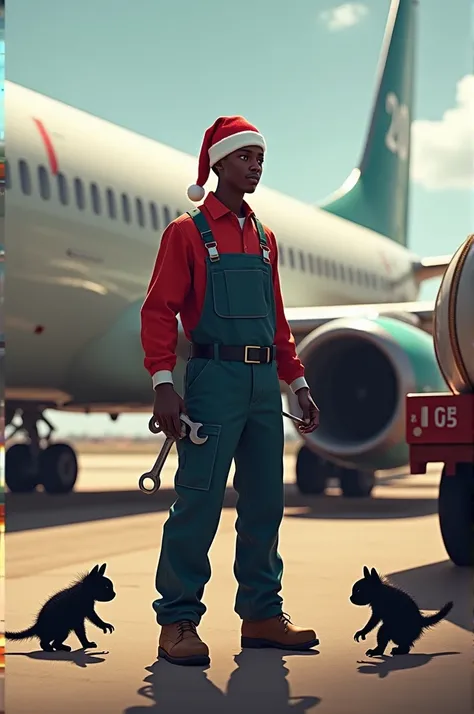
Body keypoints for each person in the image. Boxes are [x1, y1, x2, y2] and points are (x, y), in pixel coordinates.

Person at [140, 115, 320, 667]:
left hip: (264, 384)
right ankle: (178, 621)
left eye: (260, 159)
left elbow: (279, 322)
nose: (255, 167)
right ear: (218, 164)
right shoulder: (188, 233)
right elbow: (158, 310)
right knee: (197, 503)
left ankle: (263, 614)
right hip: (212, 382)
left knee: (265, 504)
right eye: (245, 158)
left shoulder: (266, 239)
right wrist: (164, 383)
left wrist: (299, 382)